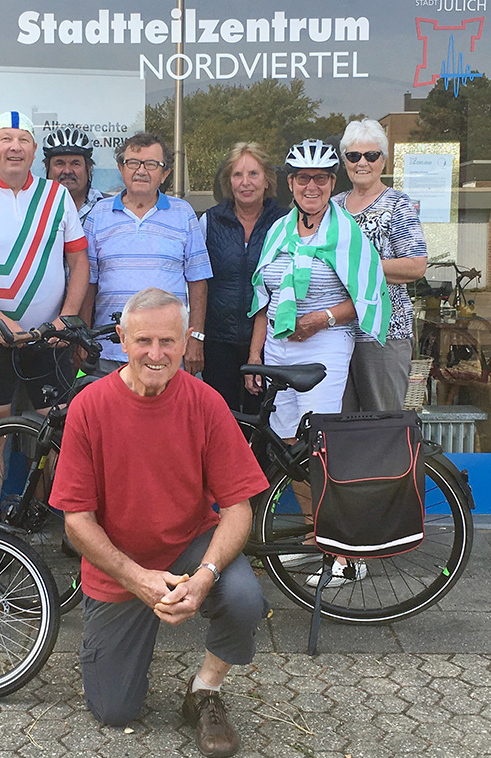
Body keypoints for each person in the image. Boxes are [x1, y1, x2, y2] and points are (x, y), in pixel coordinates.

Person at [49, 288, 270, 758]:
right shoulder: (90, 407)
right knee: (114, 710)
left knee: (245, 597)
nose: (156, 354)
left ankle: (204, 691)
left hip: (188, 546)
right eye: (144, 340)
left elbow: (238, 509)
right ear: (122, 340)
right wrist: (139, 580)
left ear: (186, 340)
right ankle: (124, 651)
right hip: (120, 565)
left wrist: (207, 576)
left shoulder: (206, 403)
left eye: (168, 341)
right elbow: (76, 522)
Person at [247, 140, 389, 588]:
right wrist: (255, 356)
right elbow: (263, 299)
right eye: (303, 178)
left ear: (333, 184)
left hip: (325, 344)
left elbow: (368, 296)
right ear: (290, 183)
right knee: (292, 447)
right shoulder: (278, 231)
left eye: (322, 179)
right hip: (279, 347)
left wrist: (322, 317)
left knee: (322, 445)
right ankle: (315, 536)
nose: (312, 186)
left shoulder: (347, 232)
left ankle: (346, 554)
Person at [0, 111, 90, 522]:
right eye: (5, 139)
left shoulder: (56, 196)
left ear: (33, 150)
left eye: (23, 139)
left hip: (51, 339)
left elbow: (79, 263)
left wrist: (68, 318)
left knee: (58, 433)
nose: (14, 146)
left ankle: (67, 521)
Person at [83, 131, 211, 375]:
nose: (141, 171)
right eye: (133, 163)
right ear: (121, 168)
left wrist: (195, 337)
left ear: (165, 174)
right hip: (110, 350)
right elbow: (89, 282)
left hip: (167, 352)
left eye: (151, 164)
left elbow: (198, 282)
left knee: (172, 414)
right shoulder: (98, 214)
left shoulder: (183, 213)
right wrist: (83, 338)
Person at [332, 119, 429, 412]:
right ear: (344, 161)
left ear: (383, 161)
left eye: (371, 155)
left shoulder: (398, 204)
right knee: (341, 425)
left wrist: (361, 266)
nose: (362, 163)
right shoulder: (332, 206)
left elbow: (416, 266)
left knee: (382, 421)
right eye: (353, 156)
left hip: (384, 333)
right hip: (337, 332)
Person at [200, 143, 288, 414]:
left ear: (267, 180)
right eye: (237, 175)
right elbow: (198, 282)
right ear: (229, 181)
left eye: (253, 174)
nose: (245, 182)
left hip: (269, 340)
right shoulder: (210, 221)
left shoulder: (284, 222)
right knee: (219, 420)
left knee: (262, 421)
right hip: (218, 342)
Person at [42, 127, 104, 221]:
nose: (67, 171)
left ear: (89, 167)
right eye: (59, 163)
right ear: (47, 168)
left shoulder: (109, 208)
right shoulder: (34, 206)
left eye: (75, 164)